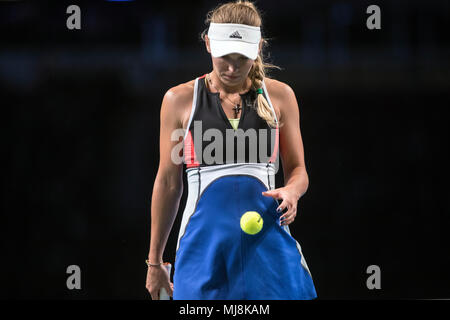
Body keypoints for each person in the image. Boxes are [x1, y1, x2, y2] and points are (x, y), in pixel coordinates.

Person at [145, 0, 317, 300]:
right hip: (202, 251)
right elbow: (168, 183)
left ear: (259, 48)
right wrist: (155, 262)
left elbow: (298, 170)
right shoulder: (178, 100)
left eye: (242, 57)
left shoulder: (280, 96)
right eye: (225, 56)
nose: (232, 67)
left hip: (269, 249)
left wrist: (292, 191)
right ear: (208, 43)